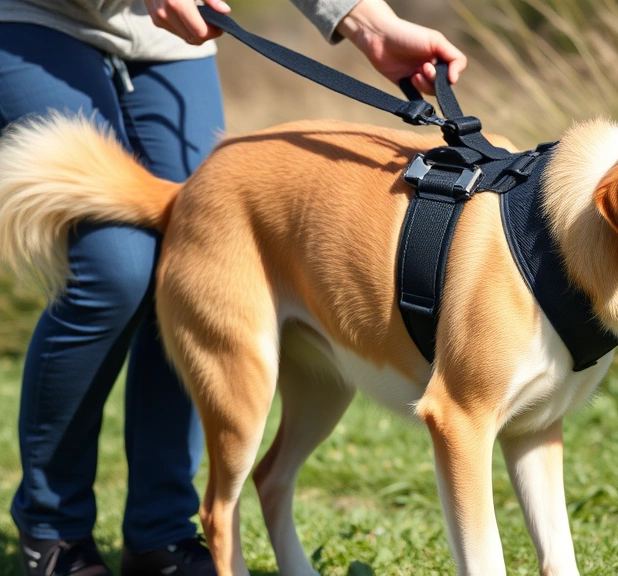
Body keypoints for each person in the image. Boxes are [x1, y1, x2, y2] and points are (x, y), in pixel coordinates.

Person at [0, 0, 466, 573]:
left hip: (168, 40)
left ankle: (160, 534)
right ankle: (53, 529)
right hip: (35, 17)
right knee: (114, 266)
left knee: (204, 250)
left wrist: (368, 23)